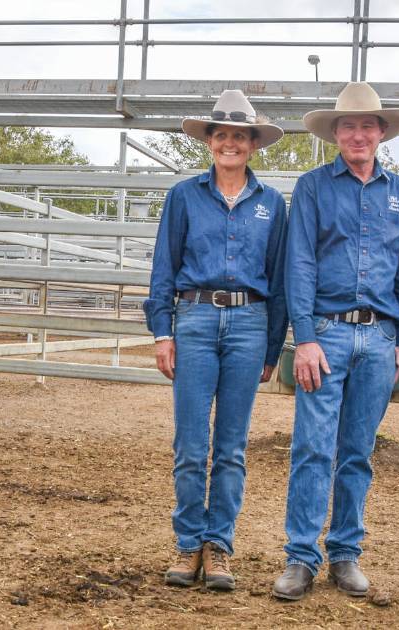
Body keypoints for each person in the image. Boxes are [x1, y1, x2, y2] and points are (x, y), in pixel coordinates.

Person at [271, 82, 399, 601]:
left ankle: (345, 553)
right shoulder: (313, 187)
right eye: (349, 125)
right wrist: (306, 336)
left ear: (382, 133)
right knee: (313, 447)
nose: (359, 134)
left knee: (357, 450)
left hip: (380, 336)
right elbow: (301, 263)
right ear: (336, 133)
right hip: (329, 334)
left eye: (368, 125)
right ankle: (300, 555)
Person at [143, 89, 289, 592]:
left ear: (252, 144)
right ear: (210, 142)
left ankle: (219, 544)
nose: (230, 144)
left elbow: (280, 278)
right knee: (190, 442)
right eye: (221, 135)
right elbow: (165, 266)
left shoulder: (272, 203)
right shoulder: (184, 196)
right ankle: (188, 542)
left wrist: (273, 346)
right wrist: (164, 330)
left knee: (230, 446)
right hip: (196, 319)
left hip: (249, 322)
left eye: (240, 136)